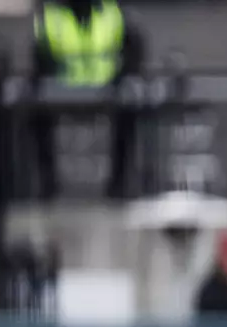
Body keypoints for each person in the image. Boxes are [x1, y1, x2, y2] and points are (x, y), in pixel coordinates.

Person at [31, 0, 143, 199]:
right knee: (35, 112)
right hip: (62, 91)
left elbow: (134, 50)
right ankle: (47, 182)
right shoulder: (52, 17)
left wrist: (123, 74)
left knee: (130, 109)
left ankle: (120, 183)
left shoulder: (112, 13)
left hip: (106, 90)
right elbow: (39, 58)